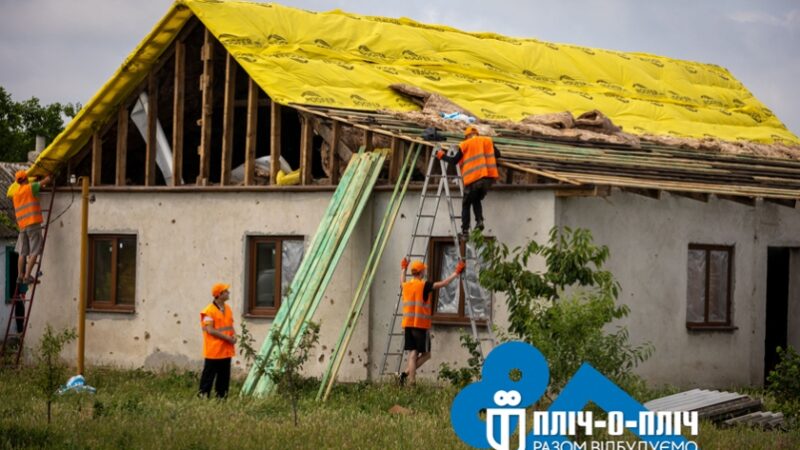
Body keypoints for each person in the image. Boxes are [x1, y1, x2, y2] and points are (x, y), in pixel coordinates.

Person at [399, 257, 465, 386]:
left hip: (408, 325)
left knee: (412, 353)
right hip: (420, 326)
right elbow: (443, 284)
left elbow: (401, 281)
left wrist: (403, 268)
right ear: (421, 272)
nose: (425, 272)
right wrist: (456, 273)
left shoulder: (406, 286)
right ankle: (406, 375)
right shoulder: (424, 285)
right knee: (427, 354)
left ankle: (409, 380)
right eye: (423, 270)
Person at [437, 126, 500, 239]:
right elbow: (498, 154)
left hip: (473, 180)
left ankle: (465, 231)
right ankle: (479, 221)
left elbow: (454, 161)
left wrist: (442, 156)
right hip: (487, 180)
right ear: (477, 134)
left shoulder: (465, 144)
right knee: (476, 200)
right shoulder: (487, 141)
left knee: (466, 204)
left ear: (466, 136)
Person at [11, 170, 51, 284]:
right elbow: (47, 180)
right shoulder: (30, 187)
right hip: (33, 223)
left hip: (22, 226)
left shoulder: (15, 194)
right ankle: (27, 276)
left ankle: (19, 276)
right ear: (26, 178)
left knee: (22, 252)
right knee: (35, 250)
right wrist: (48, 175)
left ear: (18, 182)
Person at [199, 283, 236, 398]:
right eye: (226, 291)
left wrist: (234, 336)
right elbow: (210, 330)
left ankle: (222, 397)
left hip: (225, 350)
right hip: (214, 350)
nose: (228, 293)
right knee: (208, 376)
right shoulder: (208, 311)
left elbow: (230, 325)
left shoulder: (228, 309)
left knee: (224, 376)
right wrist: (228, 338)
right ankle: (203, 396)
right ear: (219, 295)